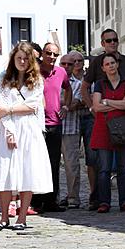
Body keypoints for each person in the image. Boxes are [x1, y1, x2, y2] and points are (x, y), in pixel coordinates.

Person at [0, 42, 53, 231]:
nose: (22, 61)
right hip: (7, 129)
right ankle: (3, 217)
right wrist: (9, 130)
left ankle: (22, 217)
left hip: (28, 130)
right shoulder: (4, 79)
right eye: (19, 58)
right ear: (13, 59)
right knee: (5, 171)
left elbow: (33, 106)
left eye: (26, 58)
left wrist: (10, 109)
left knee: (27, 171)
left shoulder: (37, 80)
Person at [82, 29, 125, 210]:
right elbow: (97, 106)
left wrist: (108, 102)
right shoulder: (100, 83)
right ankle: (103, 201)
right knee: (104, 168)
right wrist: (113, 104)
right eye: (108, 64)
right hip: (103, 126)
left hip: (123, 127)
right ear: (103, 67)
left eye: (114, 63)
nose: (111, 66)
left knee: (124, 167)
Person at [31, 42, 71, 213]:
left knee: (54, 164)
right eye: (49, 53)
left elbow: (68, 89)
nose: (52, 57)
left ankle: (51, 201)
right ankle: (35, 201)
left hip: (55, 124)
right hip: (37, 124)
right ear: (42, 54)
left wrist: (66, 106)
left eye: (55, 54)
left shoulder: (61, 72)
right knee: (36, 164)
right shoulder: (34, 71)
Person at [59, 52, 85, 209]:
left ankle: (73, 197)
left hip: (70, 127)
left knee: (72, 165)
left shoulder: (78, 83)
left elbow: (75, 102)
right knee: (52, 164)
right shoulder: (52, 80)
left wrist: (59, 101)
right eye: (65, 63)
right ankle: (52, 197)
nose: (68, 66)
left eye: (72, 63)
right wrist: (64, 103)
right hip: (52, 127)